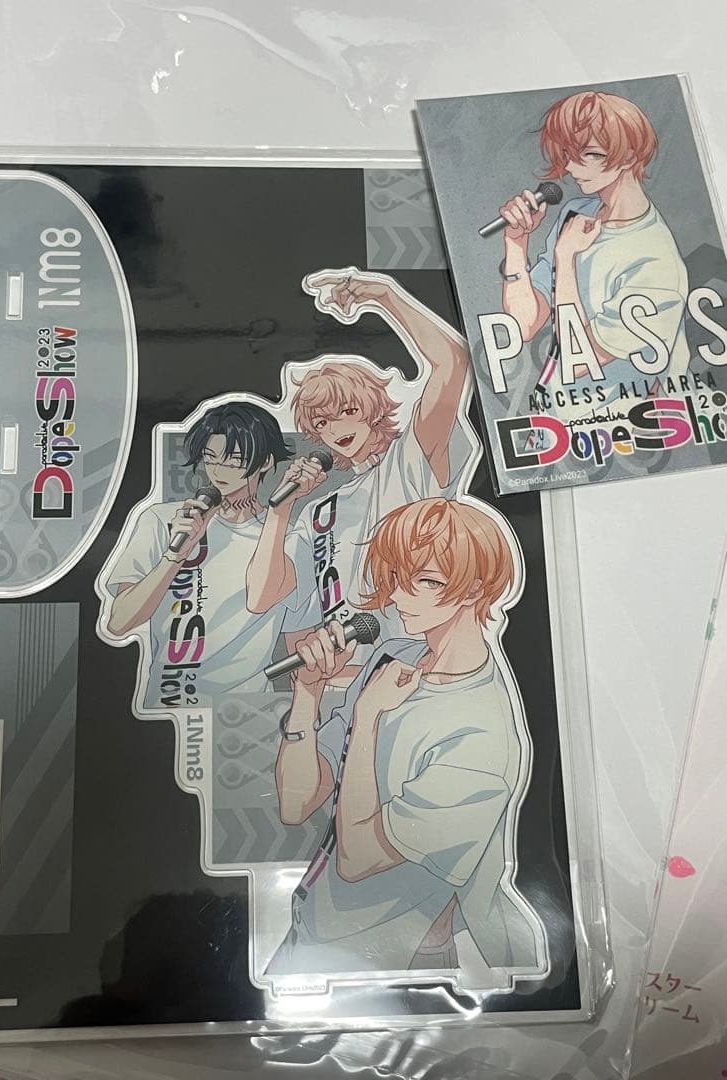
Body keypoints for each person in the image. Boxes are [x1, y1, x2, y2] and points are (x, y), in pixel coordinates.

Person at [265, 498, 546, 980]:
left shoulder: (480, 735)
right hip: (315, 929)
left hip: (395, 962)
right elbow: (296, 804)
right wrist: (307, 694)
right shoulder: (394, 659)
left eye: (426, 580)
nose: (397, 596)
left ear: (474, 588)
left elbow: (358, 858)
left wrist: (368, 717)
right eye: (395, 576)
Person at [246, 268, 478, 666]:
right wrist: (280, 511)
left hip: (422, 659)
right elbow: (262, 596)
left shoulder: (410, 459)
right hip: (348, 673)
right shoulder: (321, 511)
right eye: (322, 422)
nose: (337, 429)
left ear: (372, 409)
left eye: (348, 411)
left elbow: (451, 363)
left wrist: (385, 296)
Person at [100, 401, 319, 711]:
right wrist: (174, 557)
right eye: (211, 458)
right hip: (166, 706)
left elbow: (302, 649)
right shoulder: (165, 520)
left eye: (234, 460)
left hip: (246, 713)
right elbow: (119, 623)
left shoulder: (290, 539)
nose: (219, 471)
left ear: (265, 462)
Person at [498, 91, 689, 418]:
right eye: (567, 153)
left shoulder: (656, 262)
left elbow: (577, 358)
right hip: (554, 420)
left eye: (588, 153)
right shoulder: (578, 214)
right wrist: (516, 243)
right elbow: (524, 323)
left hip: (618, 432)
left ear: (629, 156)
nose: (571, 167)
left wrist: (566, 259)